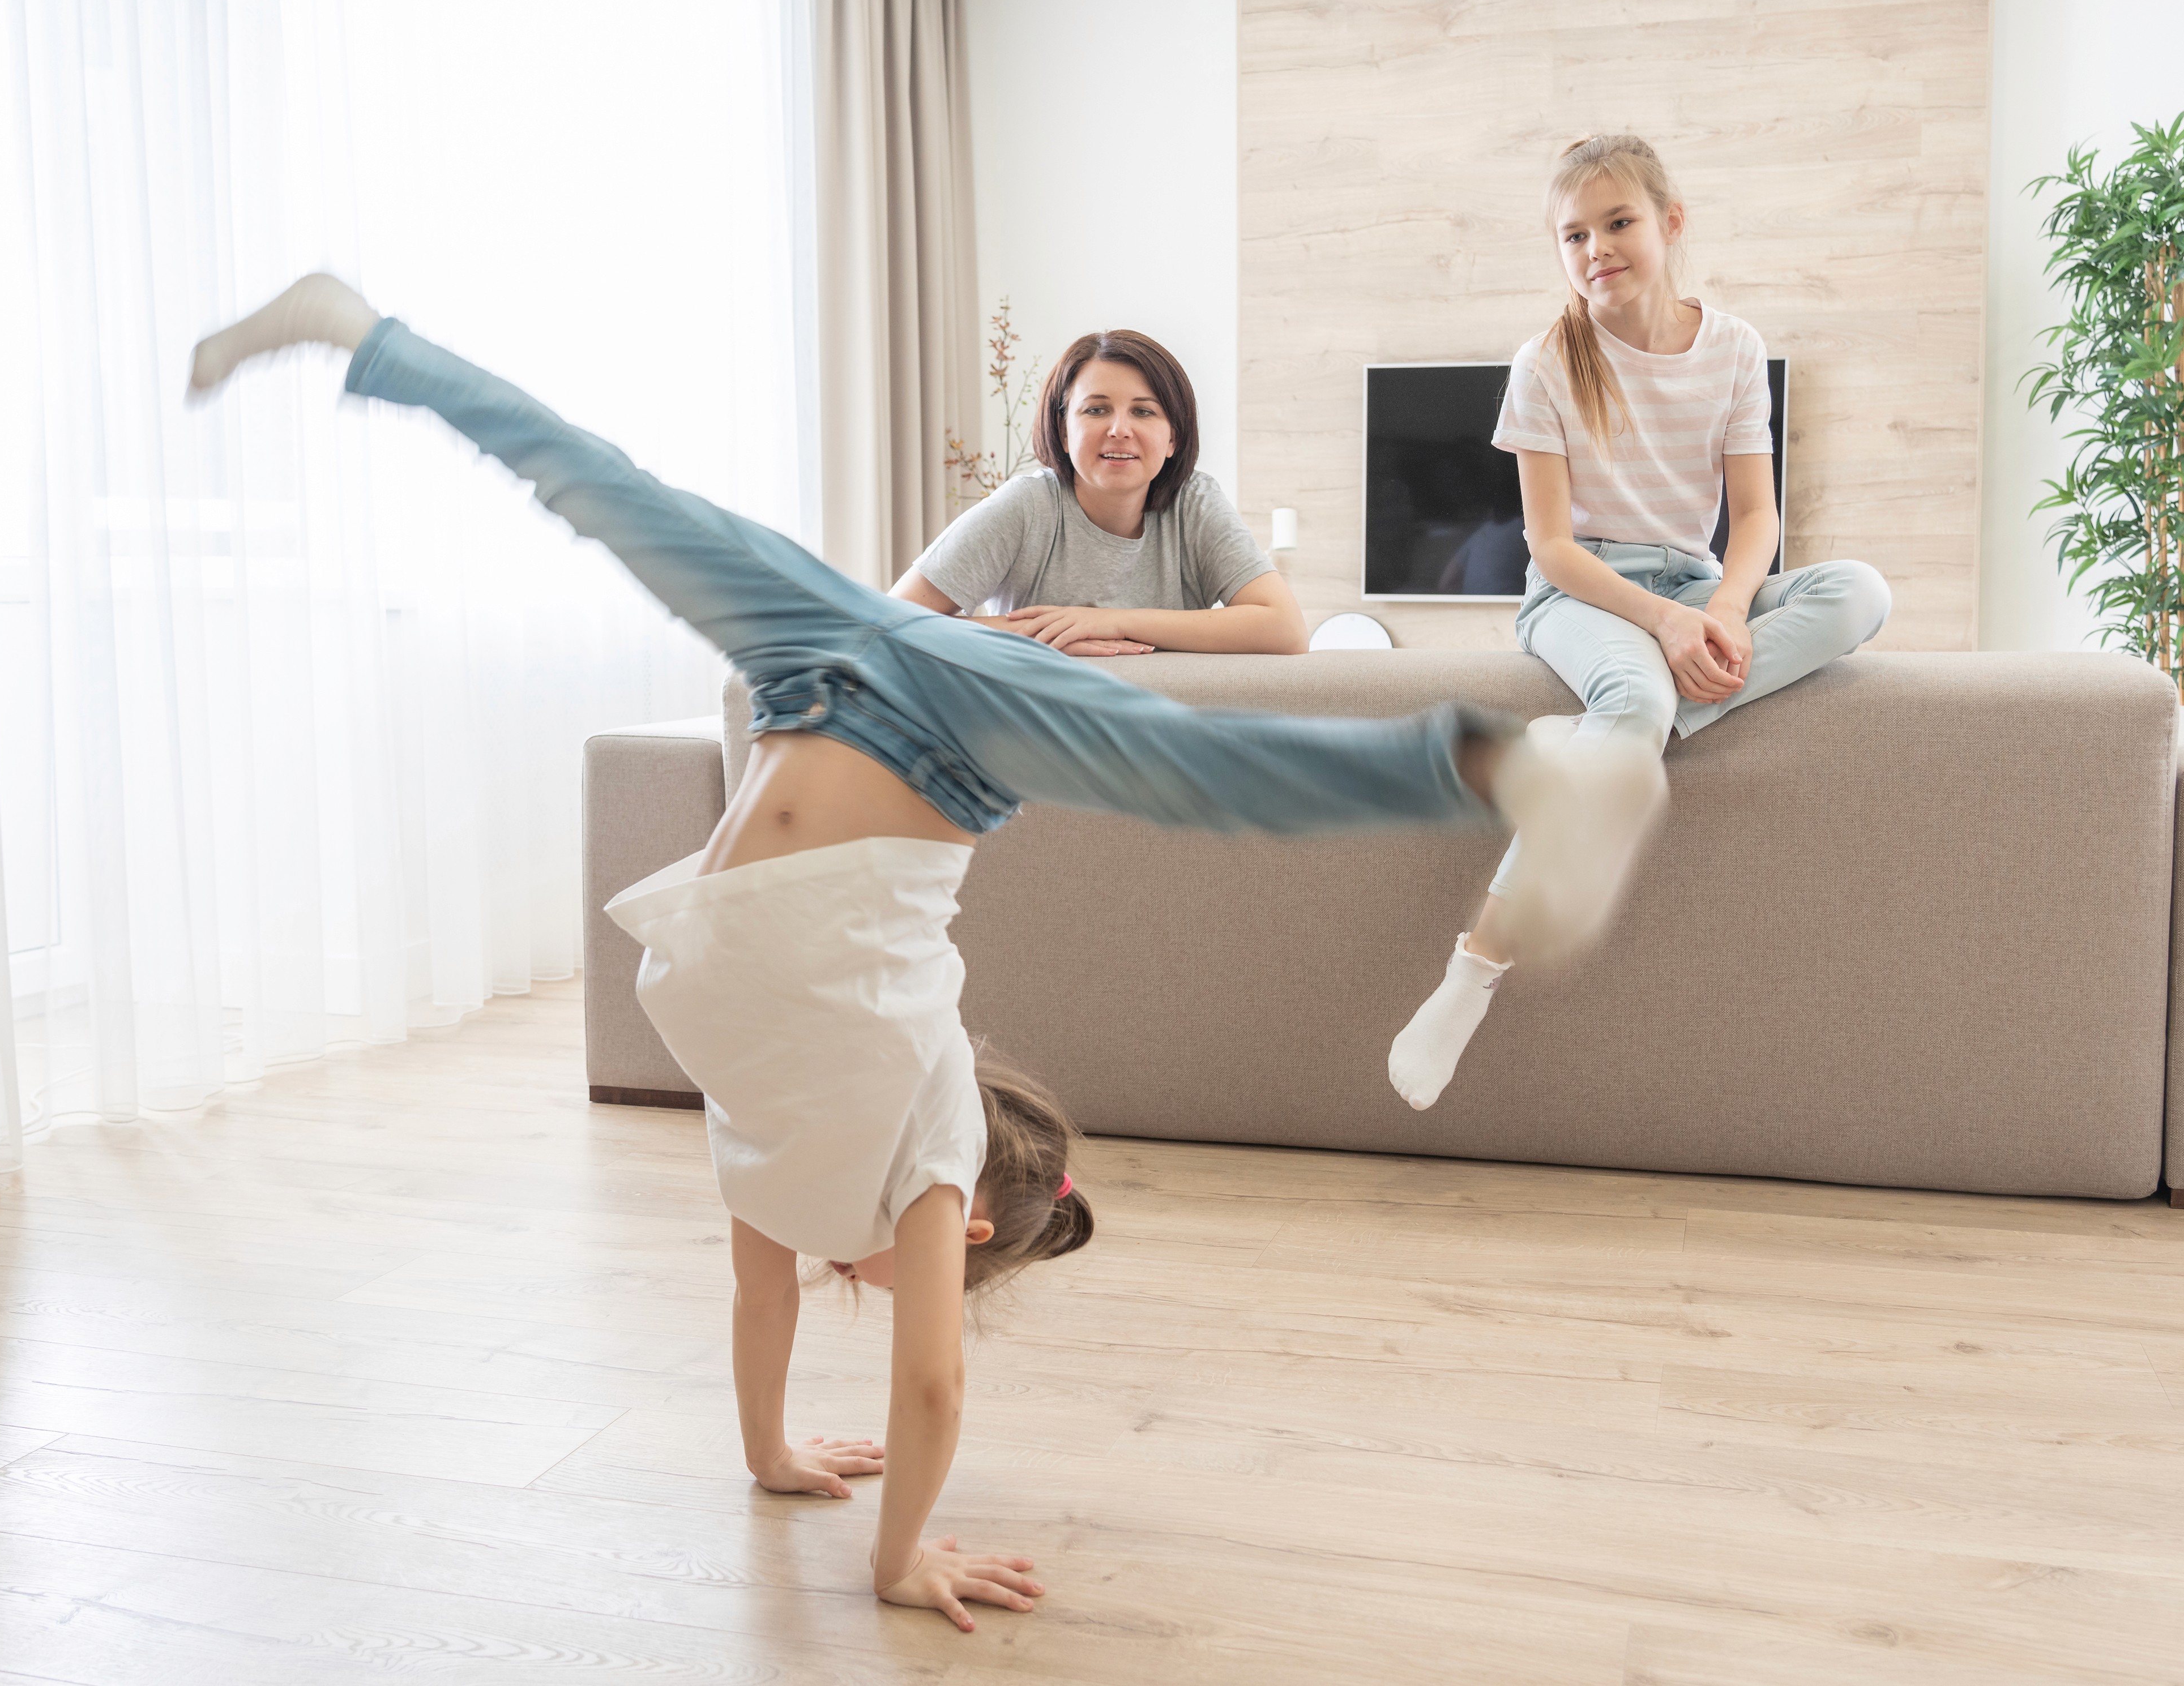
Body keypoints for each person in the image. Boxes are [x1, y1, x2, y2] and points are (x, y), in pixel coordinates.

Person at [186, 275, 1666, 1632]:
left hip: (820, 667)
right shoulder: (919, 1146)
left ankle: (362, 335)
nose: (878, 1288)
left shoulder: (774, 1137)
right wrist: (899, 1555)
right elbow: (934, 1381)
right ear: (957, 1227)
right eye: (925, 1269)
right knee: (1176, 764)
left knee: (607, 493)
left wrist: (771, 1456)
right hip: (941, 717)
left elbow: (761, 1304)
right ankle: (1500, 764)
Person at [1383, 134, 1894, 1113]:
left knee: (1858, 592)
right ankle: (1471, 975)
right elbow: (1551, 548)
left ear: (1670, 223)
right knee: (1636, 690)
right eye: (1574, 235)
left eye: (1618, 223)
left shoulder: (1735, 349)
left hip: (1700, 583)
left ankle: (1602, 741)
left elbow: (1756, 521)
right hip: (1584, 591)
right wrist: (1664, 625)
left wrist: (1729, 611)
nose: (1597, 249)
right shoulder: (1545, 364)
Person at [893, 328, 1306, 656]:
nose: (1119, 430)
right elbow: (889, 622)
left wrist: (1112, 621)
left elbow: (1286, 630)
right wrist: (1046, 633)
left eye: (1143, 411)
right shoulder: (1028, 506)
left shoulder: (1193, 501)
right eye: (1096, 409)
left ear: (1172, 440)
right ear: (1063, 432)